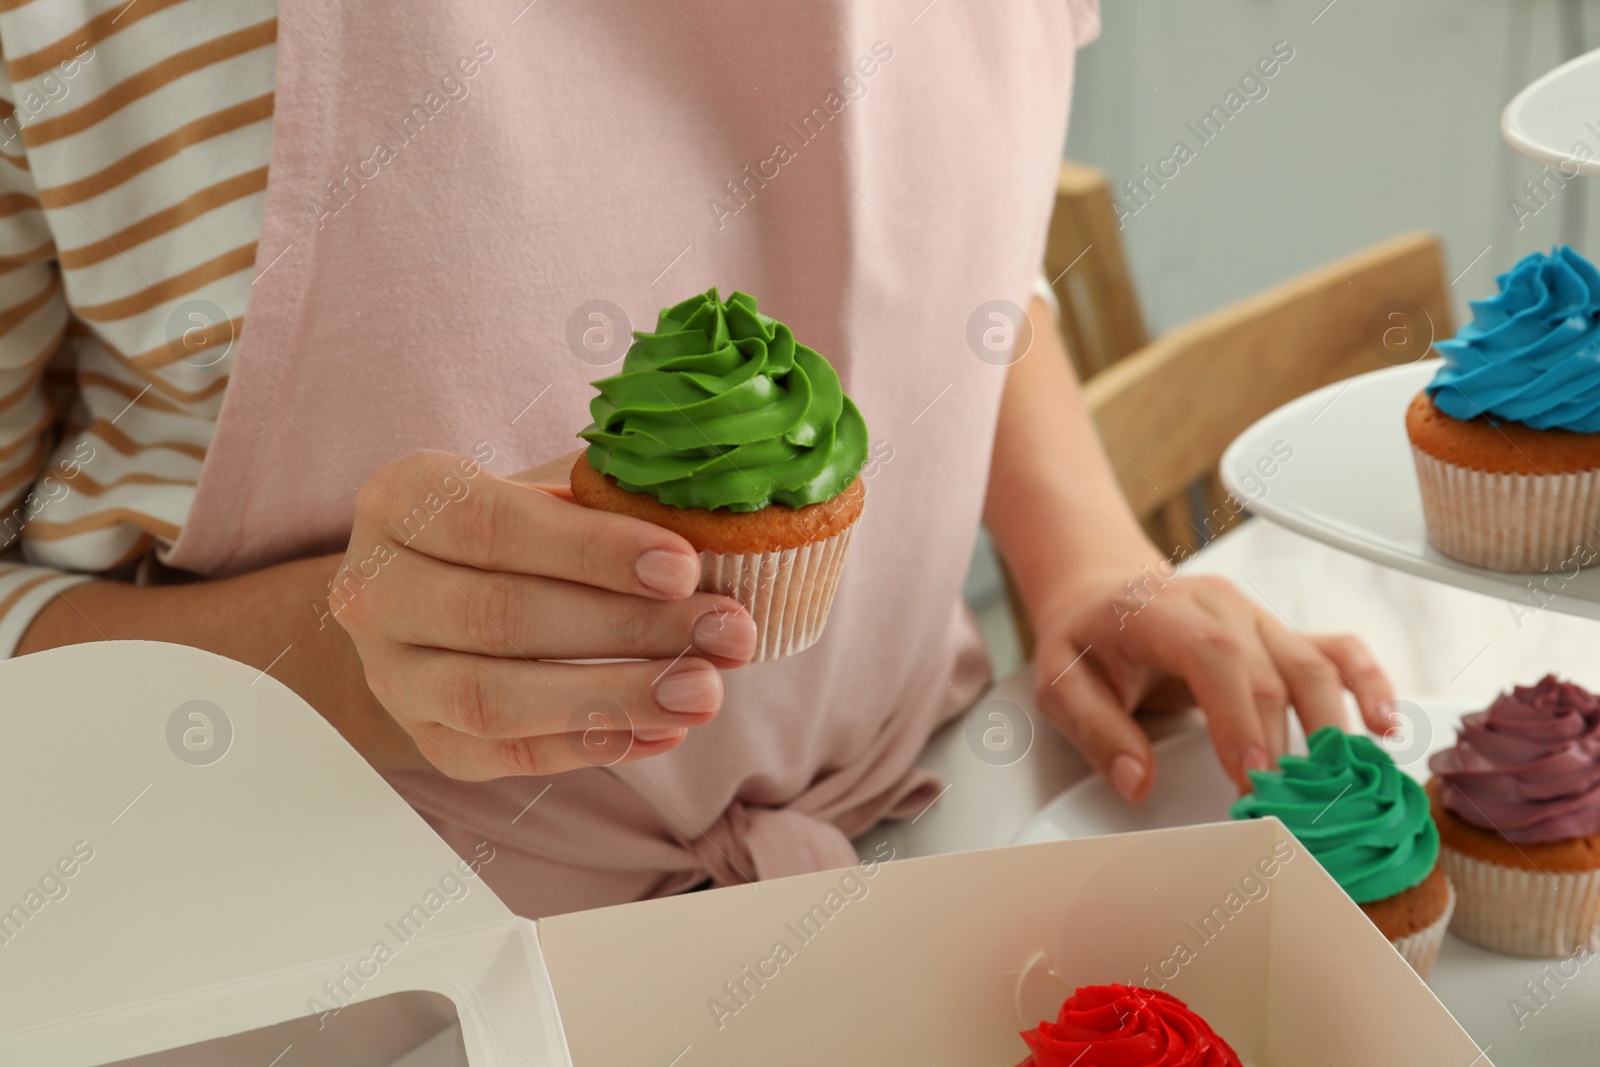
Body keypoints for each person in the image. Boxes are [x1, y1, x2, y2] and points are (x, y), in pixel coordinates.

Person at [3, 0, 1393, 917]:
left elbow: (962, 234)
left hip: (935, 842)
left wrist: (1079, 542)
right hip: (335, 965)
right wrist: (340, 659)